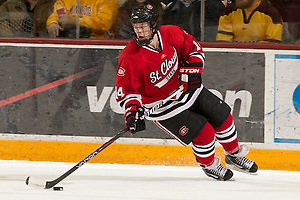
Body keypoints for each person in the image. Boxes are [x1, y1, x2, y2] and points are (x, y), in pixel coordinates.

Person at [115, 4, 258, 181]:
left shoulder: (171, 33)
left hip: (187, 90)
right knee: (204, 133)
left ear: (153, 25)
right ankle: (209, 165)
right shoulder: (130, 56)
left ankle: (234, 155)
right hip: (163, 106)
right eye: (136, 27)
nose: (140, 31)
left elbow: (193, 50)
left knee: (223, 117)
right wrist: (132, 112)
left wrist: (192, 71)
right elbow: (126, 91)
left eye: (143, 26)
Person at [216, 0, 283, 43]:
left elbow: (272, 45)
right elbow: (223, 43)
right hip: (234, 59)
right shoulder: (229, 11)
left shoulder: (271, 13)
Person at [46, 0, 119, 38]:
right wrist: (53, 23)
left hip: (97, 44)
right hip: (69, 41)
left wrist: (76, 21)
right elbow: (57, 13)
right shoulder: (65, 0)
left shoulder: (109, 1)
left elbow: (104, 23)